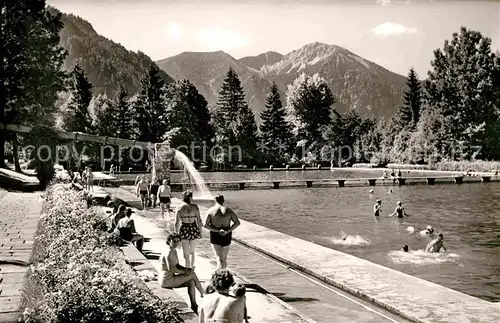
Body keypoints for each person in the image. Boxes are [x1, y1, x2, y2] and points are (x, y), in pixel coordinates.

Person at [159, 233, 204, 314]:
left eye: (178, 241)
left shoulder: (173, 250)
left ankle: (194, 305)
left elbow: (177, 265)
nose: (176, 243)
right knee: (192, 275)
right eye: (174, 241)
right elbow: (172, 269)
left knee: (191, 282)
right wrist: (186, 272)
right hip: (167, 280)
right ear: (169, 241)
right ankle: (203, 293)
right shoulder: (169, 252)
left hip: (168, 278)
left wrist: (187, 269)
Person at [204, 195, 241, 269]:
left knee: (218, 257)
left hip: (215, 234)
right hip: (226, 234)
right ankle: (224, 274)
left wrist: (218, 230)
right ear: (223, 201)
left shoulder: (211, 210)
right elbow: (237, 222)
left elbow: (205, 225)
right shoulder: (228, 210)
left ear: (215, 200)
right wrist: (228, 230)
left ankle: (219, 275)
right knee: (224, 257)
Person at [175, 190, 202, 268]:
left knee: (186, 253)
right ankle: (192, 268)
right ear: (190, 197)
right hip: (193, 229)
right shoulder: (195, 207)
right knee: (192, 252)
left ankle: (187, 270)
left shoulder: (179, 208)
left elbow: (176, 223)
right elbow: (199, 221)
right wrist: (200, 232)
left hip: (184, 229)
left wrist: (176, 234)